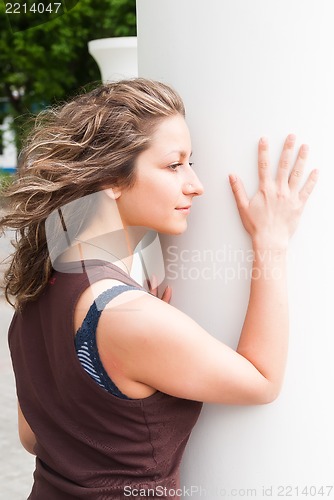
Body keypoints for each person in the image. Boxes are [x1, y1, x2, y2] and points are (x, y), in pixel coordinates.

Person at [0, 78, 318, 500]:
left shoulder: (38, 287)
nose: (195, 184)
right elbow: (262, 382)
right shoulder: (124, 315)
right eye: (174, 165)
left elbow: (33, 437)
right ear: (111, 176)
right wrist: (272, 243)